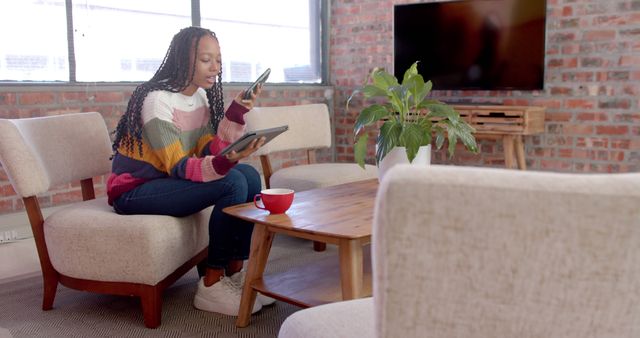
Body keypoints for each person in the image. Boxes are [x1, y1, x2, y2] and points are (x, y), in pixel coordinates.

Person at [107, 26, 273, 316]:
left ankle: (235, 274)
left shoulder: (198, 98)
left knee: (247, 175)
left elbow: (208, 150)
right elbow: (180, 166)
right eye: (206, 59)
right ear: (185, 60)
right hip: (134, 190)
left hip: (167, 182)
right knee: (232, 180)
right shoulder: (156, 100)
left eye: (218, 60)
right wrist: (227, 161)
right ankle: (211, 283)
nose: (215, 67)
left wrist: (236, 115)